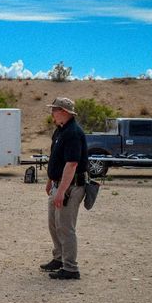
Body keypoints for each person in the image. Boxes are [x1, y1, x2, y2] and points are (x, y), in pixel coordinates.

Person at [43, 97, 88, 280]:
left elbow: (71, 164)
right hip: (59, 183)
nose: (52, 113)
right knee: (54, 224)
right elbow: (56, 158)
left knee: (65, 227)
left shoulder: (73, 133)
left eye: (55, 110)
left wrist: (61, 191)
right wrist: (51, 179)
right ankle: (59, 258)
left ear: (64, 111)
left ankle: (70, 267)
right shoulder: (60, 131)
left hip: (70, 186)